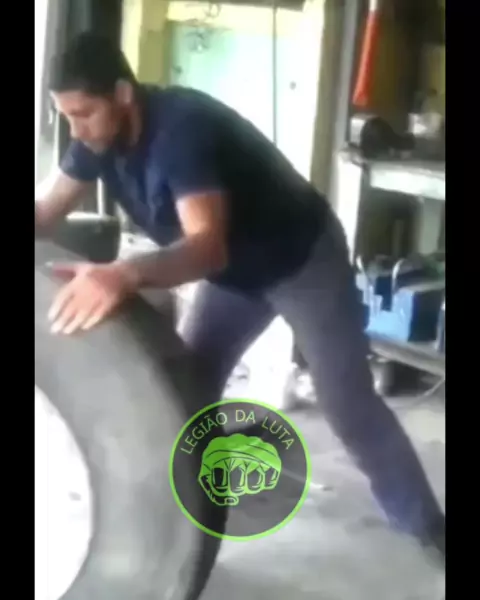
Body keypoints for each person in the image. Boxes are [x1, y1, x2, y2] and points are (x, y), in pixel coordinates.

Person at [35, 32, 445, 561]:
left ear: (123, 94)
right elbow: (46, 213)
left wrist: (122, 274)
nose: (76, 128)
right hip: (237, 275)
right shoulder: (96, 140)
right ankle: (195, 530)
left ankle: (427, 525)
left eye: (83, 113)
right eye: (66, 116)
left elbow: (206, 247)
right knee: (185, 391)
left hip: (301, 261)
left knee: (346, 403)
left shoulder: (181, 132)